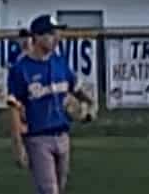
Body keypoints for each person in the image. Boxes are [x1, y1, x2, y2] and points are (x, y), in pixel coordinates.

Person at [6, 15, 94, 194]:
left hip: (63, 136)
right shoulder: (21, 69)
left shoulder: (59, 63)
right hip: (38, 138)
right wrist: (18, 145)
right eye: (52, 34)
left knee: (59, 189)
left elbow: (76, 88)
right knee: (49, 190)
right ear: (37, 37)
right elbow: (14, 109)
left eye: (58, 33)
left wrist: (90, 104)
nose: (57, 38)